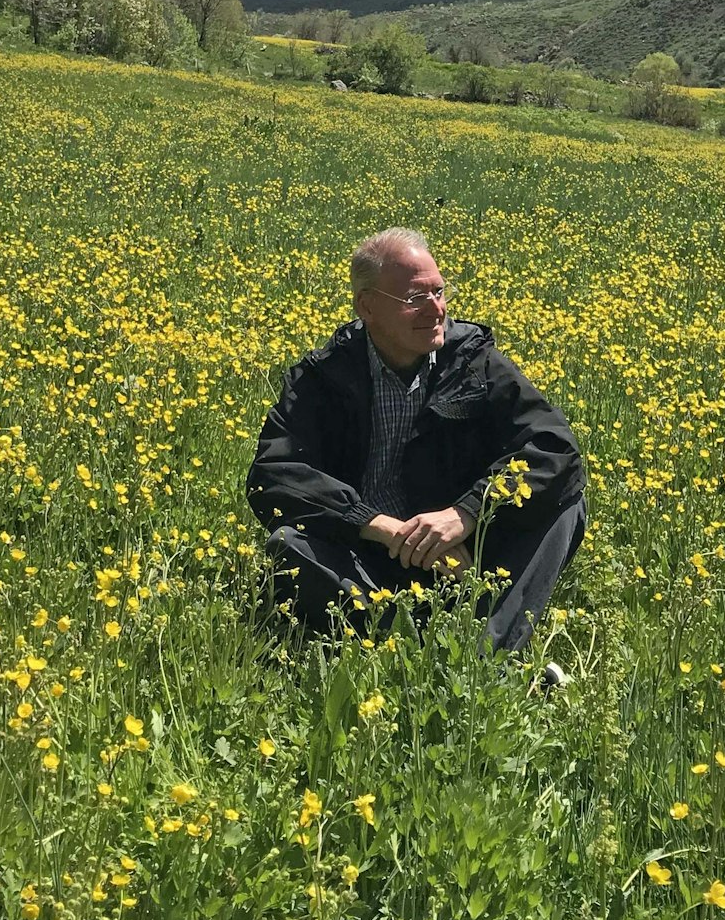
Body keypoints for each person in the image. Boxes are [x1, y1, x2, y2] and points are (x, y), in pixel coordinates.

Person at [246, 228, 586, 654]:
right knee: (288, 548)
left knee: (566, 502)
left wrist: (465, 514)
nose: (436, 309)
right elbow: (272, 474)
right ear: (366, 306)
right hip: (369, 559)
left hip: (464, 559)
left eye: (440, 292)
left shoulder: (473, 362)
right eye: (415, 299)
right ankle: (417, 643)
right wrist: (380, 526)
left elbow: (556, 449)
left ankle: (483, 655)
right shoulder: (324, 376)